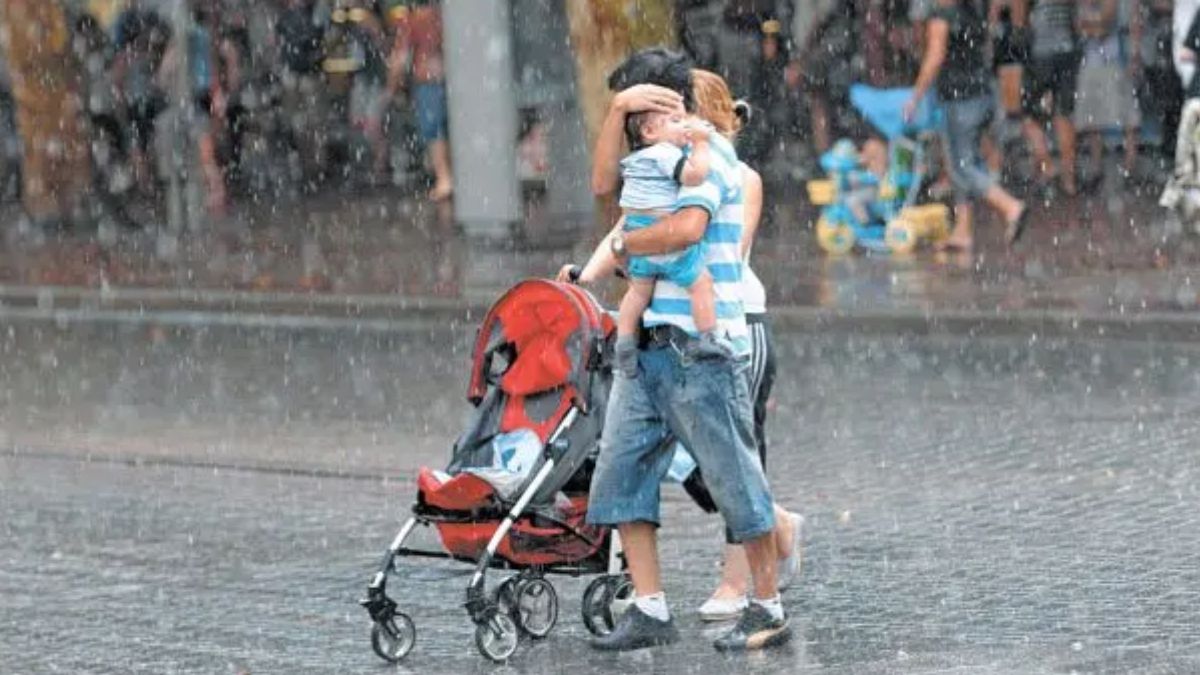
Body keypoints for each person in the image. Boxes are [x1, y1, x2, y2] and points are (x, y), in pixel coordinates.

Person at [559, 50, 791, 652]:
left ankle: (766, 605)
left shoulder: (705, 152)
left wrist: (630, 241)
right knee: (623, 473)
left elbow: (686, 229)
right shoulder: (648, 158)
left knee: (733, 479)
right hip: (649, 350)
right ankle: (651, 607)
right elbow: (603, 183)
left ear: (663, 105)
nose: (631, 126)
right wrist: (615, 108)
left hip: (702, 350)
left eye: (635, 110)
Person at [907, 0, 1028, 251]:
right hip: (982, 93)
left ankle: (1011, 207)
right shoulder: (972, 9)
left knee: (961, 167)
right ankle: (962, 231)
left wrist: (915, 96)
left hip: (958, 97)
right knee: (963, 162)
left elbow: (935, 55)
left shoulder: (942, 14)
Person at [612, 110, 721, 380]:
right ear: (649, 133)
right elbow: (694, 175)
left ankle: (624, 341)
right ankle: (706, 337)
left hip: (637, 239)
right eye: (674, 121)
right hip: (666, 241)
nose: (683, 125)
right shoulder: (665, 153)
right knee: (701, 285)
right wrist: (701, 143)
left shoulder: (634, 160)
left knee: (638, 293)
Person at [384, 0, 452, 200]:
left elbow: (400, 58)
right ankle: (451, 175)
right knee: (445, 128)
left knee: (433, 131)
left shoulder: (412, 21)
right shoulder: (442, 18)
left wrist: (392, 87)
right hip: (448, 79)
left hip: (427, 80)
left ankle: (444, 178)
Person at [1073, 0, 1142, 189]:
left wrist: (1091, 24)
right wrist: (1091, 25)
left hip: (1116, 59)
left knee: (1127, 114)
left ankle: (1129, 167)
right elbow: (1081, 26)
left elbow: (1105, 23)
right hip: (1093, 59)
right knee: (1093, 116)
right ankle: (1097, 169)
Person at [1014, 0, 1080, 196]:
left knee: (1027, 115)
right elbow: (1075, 17)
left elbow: (1019, 18)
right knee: (1064, 115)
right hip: (1066, 50)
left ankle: (1047, 165)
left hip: (1040, 53)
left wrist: (1018, 41)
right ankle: (1069, 180)